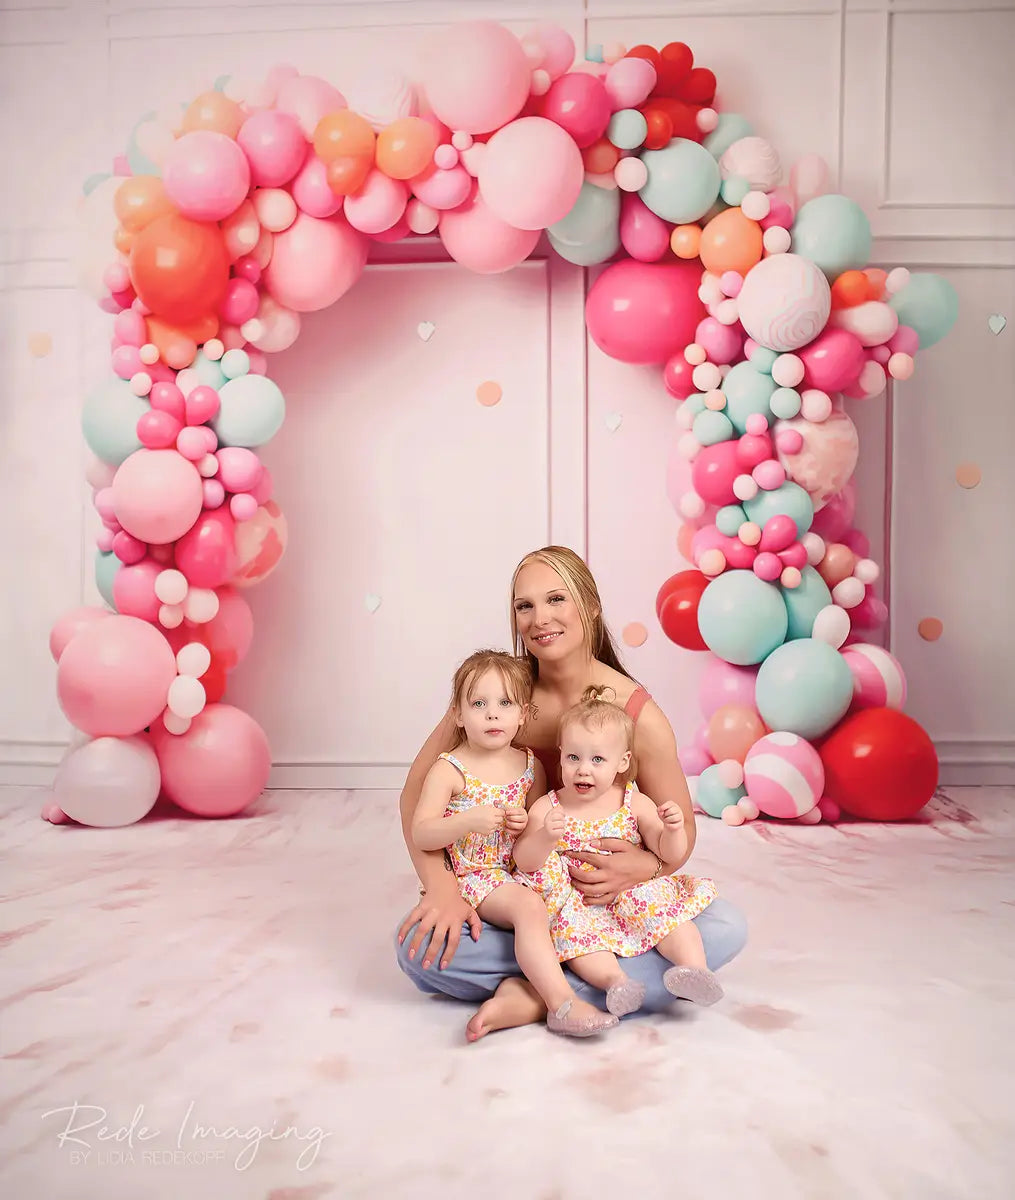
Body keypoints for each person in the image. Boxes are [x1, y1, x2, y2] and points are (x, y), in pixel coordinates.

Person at [395, 546, 747, 1040]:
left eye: (556, 599)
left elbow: (679, 830)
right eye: (525, 606)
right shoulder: (500, 701)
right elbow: (416, 795)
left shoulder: (634, 713)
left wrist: (648, 866)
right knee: (417, 951)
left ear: (590, 605)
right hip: (519, 888)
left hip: (607, 902)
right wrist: (443, 889)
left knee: (726, 927)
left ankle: (537, 993)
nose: (541, 618)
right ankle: (566, 984)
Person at [411, 649, 619, 1039]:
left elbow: (532, 833)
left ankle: (535, 987)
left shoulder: (529, 765)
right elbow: (422, 832)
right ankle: (562, 1004)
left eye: (505, 703)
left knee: (571, 907)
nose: (493, 714)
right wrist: (466, 821)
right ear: (458, 714)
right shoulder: (449, 769)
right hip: (475, 877)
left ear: (523, 714)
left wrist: (528, 825)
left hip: (520, 870)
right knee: (529, 908)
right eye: (479, 703)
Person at [512, 687, 723, 1015]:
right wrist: (544, 838)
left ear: (622, 762)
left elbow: (669, 853)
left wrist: (672, 829)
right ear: (561, 753)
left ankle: (694, 970)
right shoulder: (547, 807)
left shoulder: (633, 801)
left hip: (632, 895)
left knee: (671, 918)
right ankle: (616, 983)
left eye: (597, 759)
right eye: (573, 757)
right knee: (578, 940)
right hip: (579, 905)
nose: (584, 769)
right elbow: (523, 862)